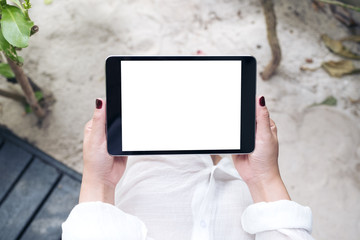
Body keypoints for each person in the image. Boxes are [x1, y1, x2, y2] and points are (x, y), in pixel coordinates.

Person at [62, 96, 314, 240]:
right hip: (246, 207)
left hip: (149, 198)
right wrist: (264, 178)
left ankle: (191, 111)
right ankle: (207, 134)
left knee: (163, 150)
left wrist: (99, 181)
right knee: (217, 165)